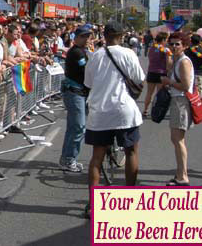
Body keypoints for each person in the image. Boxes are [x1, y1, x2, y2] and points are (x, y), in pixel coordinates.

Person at [83, 22, 145, 218]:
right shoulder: (128, 54)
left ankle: (93, 205)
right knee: (132, 151)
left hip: (99, 112)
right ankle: (129, 199)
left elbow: (89, 83)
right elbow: (138, 78)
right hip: (123, 109)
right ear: (122, 35)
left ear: (105, 35)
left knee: (96, 158)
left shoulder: (95, 56)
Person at [160, 32, 194, 186]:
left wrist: (169, 81)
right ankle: (180, 173)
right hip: (177, 101)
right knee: (176, 139)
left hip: (181, 101)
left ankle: (183, 176)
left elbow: (186, 86)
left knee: (178, 140)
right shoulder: (177, 60)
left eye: (177, 44)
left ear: (185, 45)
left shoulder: (184, 62)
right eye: (171, 44)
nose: (173, 46)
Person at [58, 25, 92, 173]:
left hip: (80, 92)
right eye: (83, 36)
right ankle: (68, 159)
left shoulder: (84, 51)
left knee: (74, 127)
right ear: (76, 37)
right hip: (74, 92)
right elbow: (87, 71)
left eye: (88, 36)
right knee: (78, 127)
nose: (86, 39)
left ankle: (67, 158)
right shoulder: (77, 52)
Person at [142, 32, 171, 117]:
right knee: (158, 94)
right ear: (163, 40)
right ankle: (155, 111)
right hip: (161, 73)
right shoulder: (165, 50)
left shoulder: (152, 48)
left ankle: (145, 110)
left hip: (151, 72)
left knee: (149, 93)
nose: (167, 41)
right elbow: (168, 63)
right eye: (166, 40)